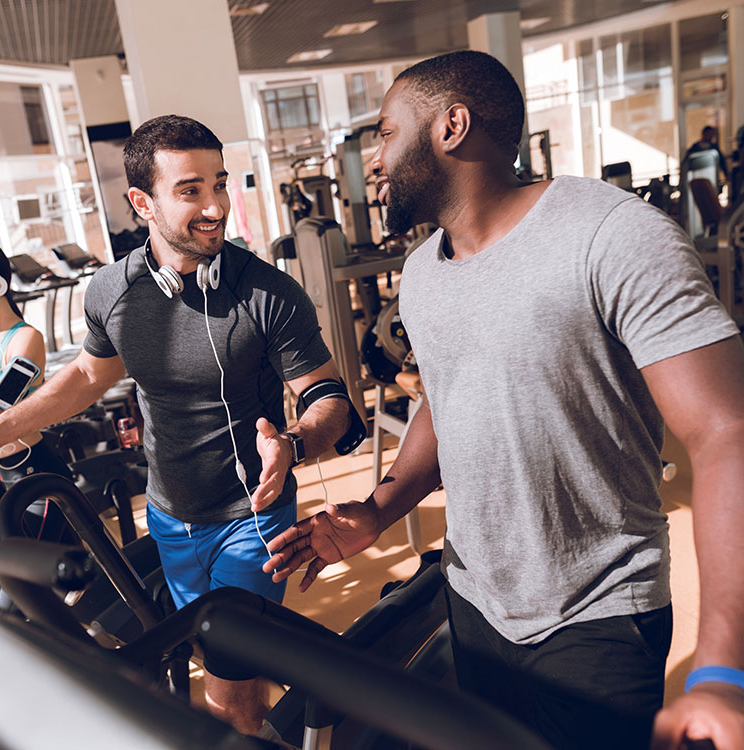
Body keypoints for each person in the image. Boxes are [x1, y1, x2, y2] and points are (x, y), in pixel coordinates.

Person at [263, 51, 744, 750]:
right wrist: (378, 509)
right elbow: (449, 400)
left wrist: (723, 669)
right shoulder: (424, 271)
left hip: (597, 614)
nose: (374, 159)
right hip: (475, 603)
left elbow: (724, 432)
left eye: (386, 133)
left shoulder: (612, 237)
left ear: (452, 125)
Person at [0, 115, 353, 735]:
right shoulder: (111, 291)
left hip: (252, 519)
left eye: (220, 183)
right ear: (142, 202)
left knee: (227, 688)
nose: (216, 206)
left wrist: (294, 444)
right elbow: (85, 378)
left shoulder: (266, 293)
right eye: (191, 190)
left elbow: (328, 397)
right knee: (207, 669)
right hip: (171, 517)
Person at [0, 241, 75, 542]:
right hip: (0, 483)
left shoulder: (26, 340)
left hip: (33, 481)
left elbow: (0, 407)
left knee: (19, 586)